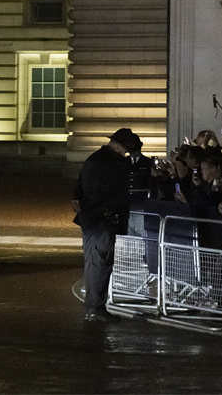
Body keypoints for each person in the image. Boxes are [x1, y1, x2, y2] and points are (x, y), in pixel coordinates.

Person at [73, 128, 135, 323]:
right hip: (102, 219)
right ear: (118, 146)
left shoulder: (96, 159)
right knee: (99, 264)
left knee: (96, 263)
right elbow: (112, 193)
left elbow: (78, 190)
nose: (126, 153)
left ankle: (95, 306)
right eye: (126, 149)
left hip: (93, 219)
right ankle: (95, 308)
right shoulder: (110, 164)